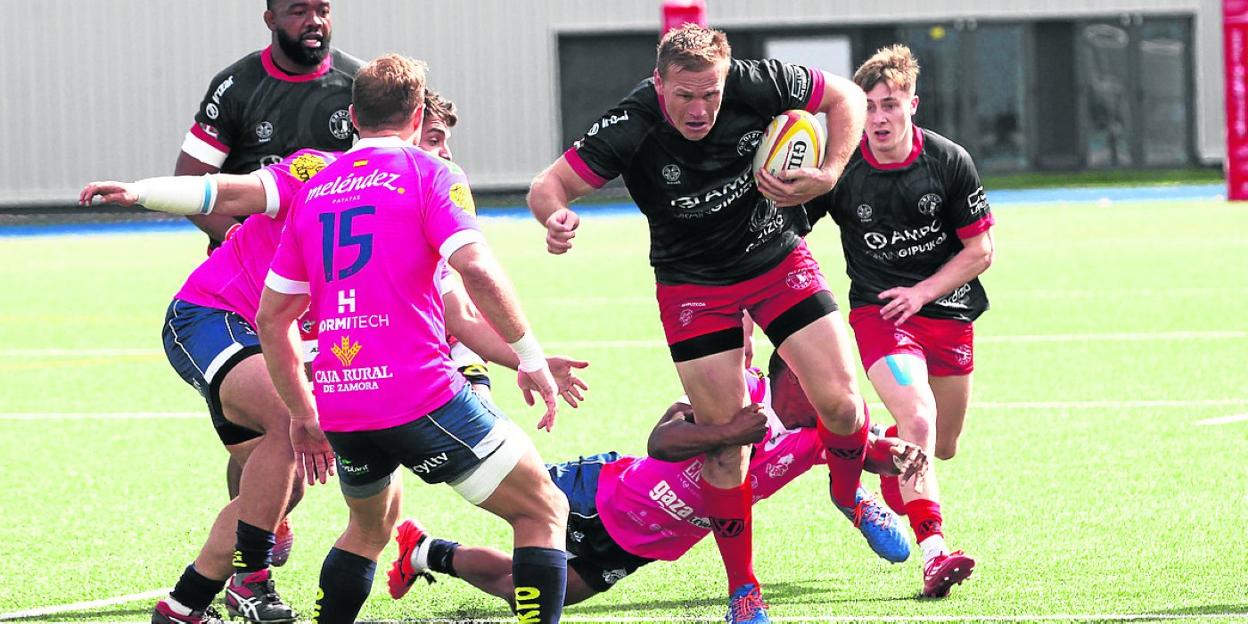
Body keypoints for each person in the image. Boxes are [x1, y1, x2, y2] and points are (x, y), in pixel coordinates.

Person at [526, 23, 904, 622]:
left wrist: (830, 172)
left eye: (711, 94)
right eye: (685, 95)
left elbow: (847, 97)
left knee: (843, 405)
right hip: (692, 286)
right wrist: (555, 218)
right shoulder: (632, 123)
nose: (700, 109)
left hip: (775, 259)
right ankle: (742, 589)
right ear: (659, 84)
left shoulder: (758, 82)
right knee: (727, 443)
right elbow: (549, 185)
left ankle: (847, 494)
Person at [257, 54, 571, 624]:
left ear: (354, 116)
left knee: (368, 529)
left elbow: (271, 317)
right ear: (418, 114)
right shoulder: (431, 173)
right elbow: (476, 270)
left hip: (341, 402)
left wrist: (303, 414)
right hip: (418, 394)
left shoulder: (315, 190)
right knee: (543, 509)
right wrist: (530, 357)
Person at [385, 353, 927, 610]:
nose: (837, 393)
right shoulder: (741, 389)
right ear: (796, 374)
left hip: (640, 547)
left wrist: (893, 455)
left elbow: (862, 451)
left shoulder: (819, 433)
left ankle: (427, 552)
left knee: (522, 593)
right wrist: (731, 431)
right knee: (505, 506)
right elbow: (661, 441)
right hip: (598, 494)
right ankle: (410, 436)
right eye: (825, 381)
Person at [803, 44, 995, 598]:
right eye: (868, 106)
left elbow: (980, 251)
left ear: (913, 103)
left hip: (948, 311)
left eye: (890, 104)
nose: (879, 117)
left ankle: (889, 454)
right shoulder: (843, 167)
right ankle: (935, 552)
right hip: (882, 314)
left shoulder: (949, 161)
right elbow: (785, 234)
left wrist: (923, 292)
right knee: (918, 415)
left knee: (943, 443)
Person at [174, 0, 360, 562]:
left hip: (317, 293)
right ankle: (248, 559)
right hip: (241, 288)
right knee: (278, 431)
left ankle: (252, 535)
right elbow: (192, 180)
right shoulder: (236, 87)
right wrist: (241, 236)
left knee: (281, 449)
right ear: (271, 19)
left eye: (322, 9)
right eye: (298, 11)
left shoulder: (357, 85)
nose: (314, 21)